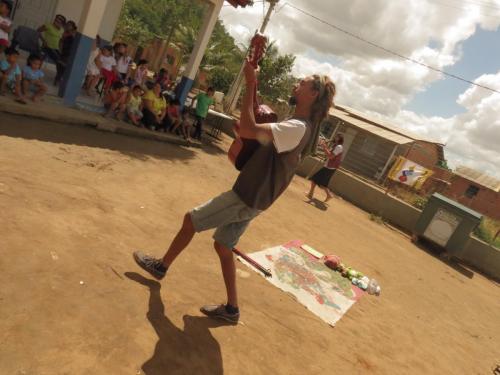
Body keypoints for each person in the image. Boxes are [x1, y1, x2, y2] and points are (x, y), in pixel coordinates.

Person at [132, 59, 336, 323]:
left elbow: (252, 129)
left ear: (313, 94)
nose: (296, 85)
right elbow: (257, 136)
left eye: (303, 83)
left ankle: (161, 267)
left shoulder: (297, 127)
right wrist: (249, 133)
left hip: (247, 196)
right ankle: (232, 309)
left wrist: (252, 82)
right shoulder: (298, 126)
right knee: (223, 245)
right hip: (255, 198)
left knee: (191, 219)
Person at [306, 134, 344, 202]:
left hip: (330, 168)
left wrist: (324, 147)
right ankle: (328, 195)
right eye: (335, 136)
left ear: (339, 139)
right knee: (322, 184)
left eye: (337, 137)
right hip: (329, 167)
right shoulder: (335, 146)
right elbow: (329, 154)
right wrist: (325, 147)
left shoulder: (339, 147)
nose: (335, 138)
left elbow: (331, 156)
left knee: (314, 179)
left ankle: (311, 194)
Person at [54, 20, 77, 86]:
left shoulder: (74, 33)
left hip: (70, 52)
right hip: (64, 51)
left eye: (69, 25)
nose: (67, 26)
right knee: (59, 64)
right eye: (67, 24)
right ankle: (58, 78)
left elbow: (72, 38)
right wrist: (60, 49)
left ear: (73, 27)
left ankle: (58, 79)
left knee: (63, 65)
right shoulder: (64, 33)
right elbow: (61, 42)